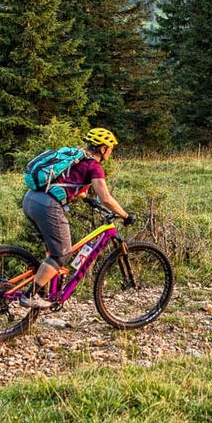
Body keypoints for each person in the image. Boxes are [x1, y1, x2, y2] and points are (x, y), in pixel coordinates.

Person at [20, 127, 133, 309]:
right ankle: (30, 295)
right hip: (48, 205)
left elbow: (66, 181)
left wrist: (88, 198)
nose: (111, 152)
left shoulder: (77, 156)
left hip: (31, 199)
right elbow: (106, 198)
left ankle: (49, 290)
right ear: (103, 149)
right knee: (62, 255)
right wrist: (125, 215)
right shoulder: (94, 166)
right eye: (110, 148)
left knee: (54, 250)